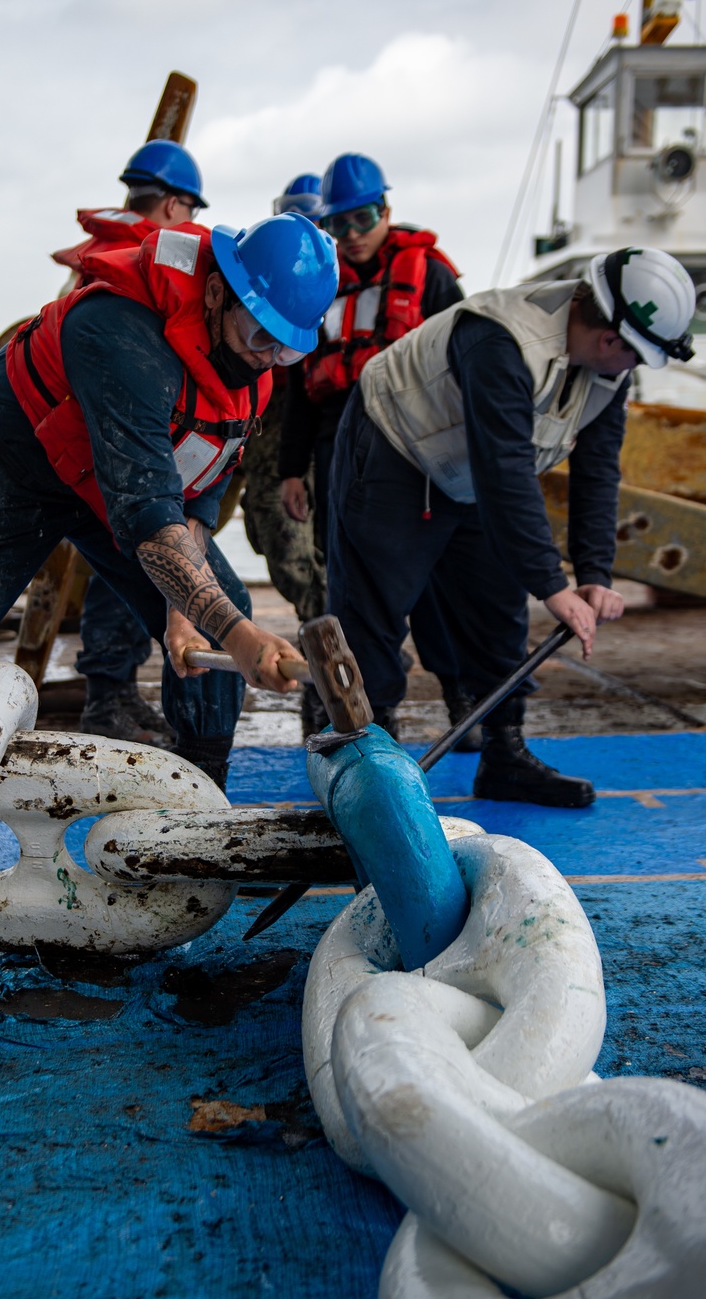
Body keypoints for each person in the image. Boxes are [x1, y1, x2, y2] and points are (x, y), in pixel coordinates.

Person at [0, 213, 340, 799]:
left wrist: (193, 612)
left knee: (214, 616)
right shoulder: (121, 335)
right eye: (261, 338)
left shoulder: (247, 367)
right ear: (214, 293)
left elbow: (200, 482)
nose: (266, 359)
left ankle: (201, 803)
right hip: (8, 465)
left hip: (112, 483)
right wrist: (239, 636)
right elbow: (150, 521)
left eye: (285, 351)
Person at [326, 245, 696, 807]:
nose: (635, 371)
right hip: (397, 447)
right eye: (638, 357)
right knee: (373, 608)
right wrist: (552, 585)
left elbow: (597, 472)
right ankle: (369, 769)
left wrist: (593, 573)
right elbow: (507, 472)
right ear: (610, 340)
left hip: (470, 472)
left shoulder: (608, 372)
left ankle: (505, 755)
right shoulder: (502, 340)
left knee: (496, 609)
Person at [277, 152, 477, 742]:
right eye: (339, 224)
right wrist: (292, 471)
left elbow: (469, 369)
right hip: (338, 449)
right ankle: (373, 713)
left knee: (440, 584)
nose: (354, 235)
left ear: (386, 210)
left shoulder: (433, 278)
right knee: (353, 588)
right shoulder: (320, 283)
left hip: (421, 455)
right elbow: (296, 387)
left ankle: (461, 697)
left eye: (364, 218)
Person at [51, 139, 211, 747]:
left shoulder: (98, 257)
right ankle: (108, 698)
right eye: (190, 211)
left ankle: (114, 693)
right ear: (173, 206)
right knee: (133, 554)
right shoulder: (150, 260)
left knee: (115, 562)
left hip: (77, 433)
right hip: (118, 435)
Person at [236, 176, 329, 732]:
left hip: (319, 453)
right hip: (269, 454)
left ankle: (328, 671)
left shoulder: (329, 295)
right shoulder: (267, 292)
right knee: (279, 543)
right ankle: (325, 658)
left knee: (314, 560)